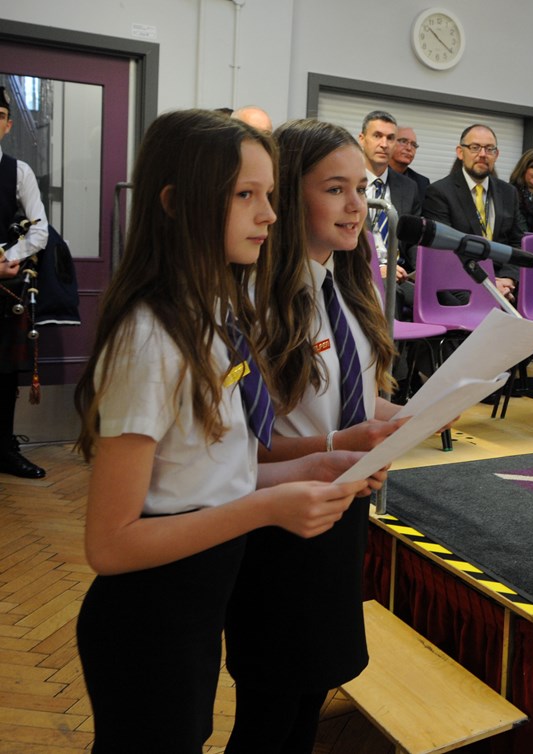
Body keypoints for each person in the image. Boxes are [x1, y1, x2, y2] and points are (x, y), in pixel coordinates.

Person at [72, 109, 379, 752]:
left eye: (270, 196)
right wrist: (270, 503)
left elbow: (212, 473)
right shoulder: (150, 339)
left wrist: (311, 465)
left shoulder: (212, 315)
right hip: (149, 609)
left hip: (197, 597)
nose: (269, 215)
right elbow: (111, 543)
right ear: (178, 203)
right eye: (246, 196)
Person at [223, 118, 407, 754]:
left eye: (362, 188)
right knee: (271, 712)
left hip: (340, 510)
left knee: (308, 702)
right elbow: (245, 447)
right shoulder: (255, 300)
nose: (356, 205)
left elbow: (341, 396)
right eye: (336, 188)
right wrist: (341, 446)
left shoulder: (345, 285)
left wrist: (401, 416)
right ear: (287, 193)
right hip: (279, 526)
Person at [0, 84, 49, 479]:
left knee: (3, 375)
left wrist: (8, 258)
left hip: (5, 288)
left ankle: (3, 450)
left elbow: (40, 232)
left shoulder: (19, 171)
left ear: (8, 124)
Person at [422, 123, 521, 301]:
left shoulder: (509, 193)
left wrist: (508, 278)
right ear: (460, 152)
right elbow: (444, 249)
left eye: (489, 149)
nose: (482, 154)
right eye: (475, 148)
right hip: (463, 277)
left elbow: (517, 242)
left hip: (504, 278)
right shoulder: (439, 192)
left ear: (496, 155)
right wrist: (488, 282)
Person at [358, 110, 419, 281]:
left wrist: (422, 270)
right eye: (377, 136)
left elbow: (413, 240)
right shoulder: (347, 183)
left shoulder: (408, 187)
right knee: (392, 298)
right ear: (362, 139)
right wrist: (376, 268)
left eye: (390, 138)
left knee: (449, 297)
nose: (384, 144)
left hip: (402, 273)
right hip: (362, 272)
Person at [388, 125, 429, 203]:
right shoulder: (378, 174)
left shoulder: (422, 183)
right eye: (403, 141)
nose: (409, 148)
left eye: (413, 145)